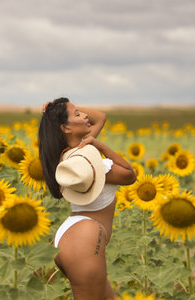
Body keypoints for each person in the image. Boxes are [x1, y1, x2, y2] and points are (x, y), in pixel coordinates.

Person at [38, 97, 136, 300]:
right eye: (77, 114)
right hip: (85, 236)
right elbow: (129, 174)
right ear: (65, 128)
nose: (85, 115)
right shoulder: (87, 164)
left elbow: (100, 117)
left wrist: (55, 112)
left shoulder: (72, 153)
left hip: (76, 233)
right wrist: (98, 145)